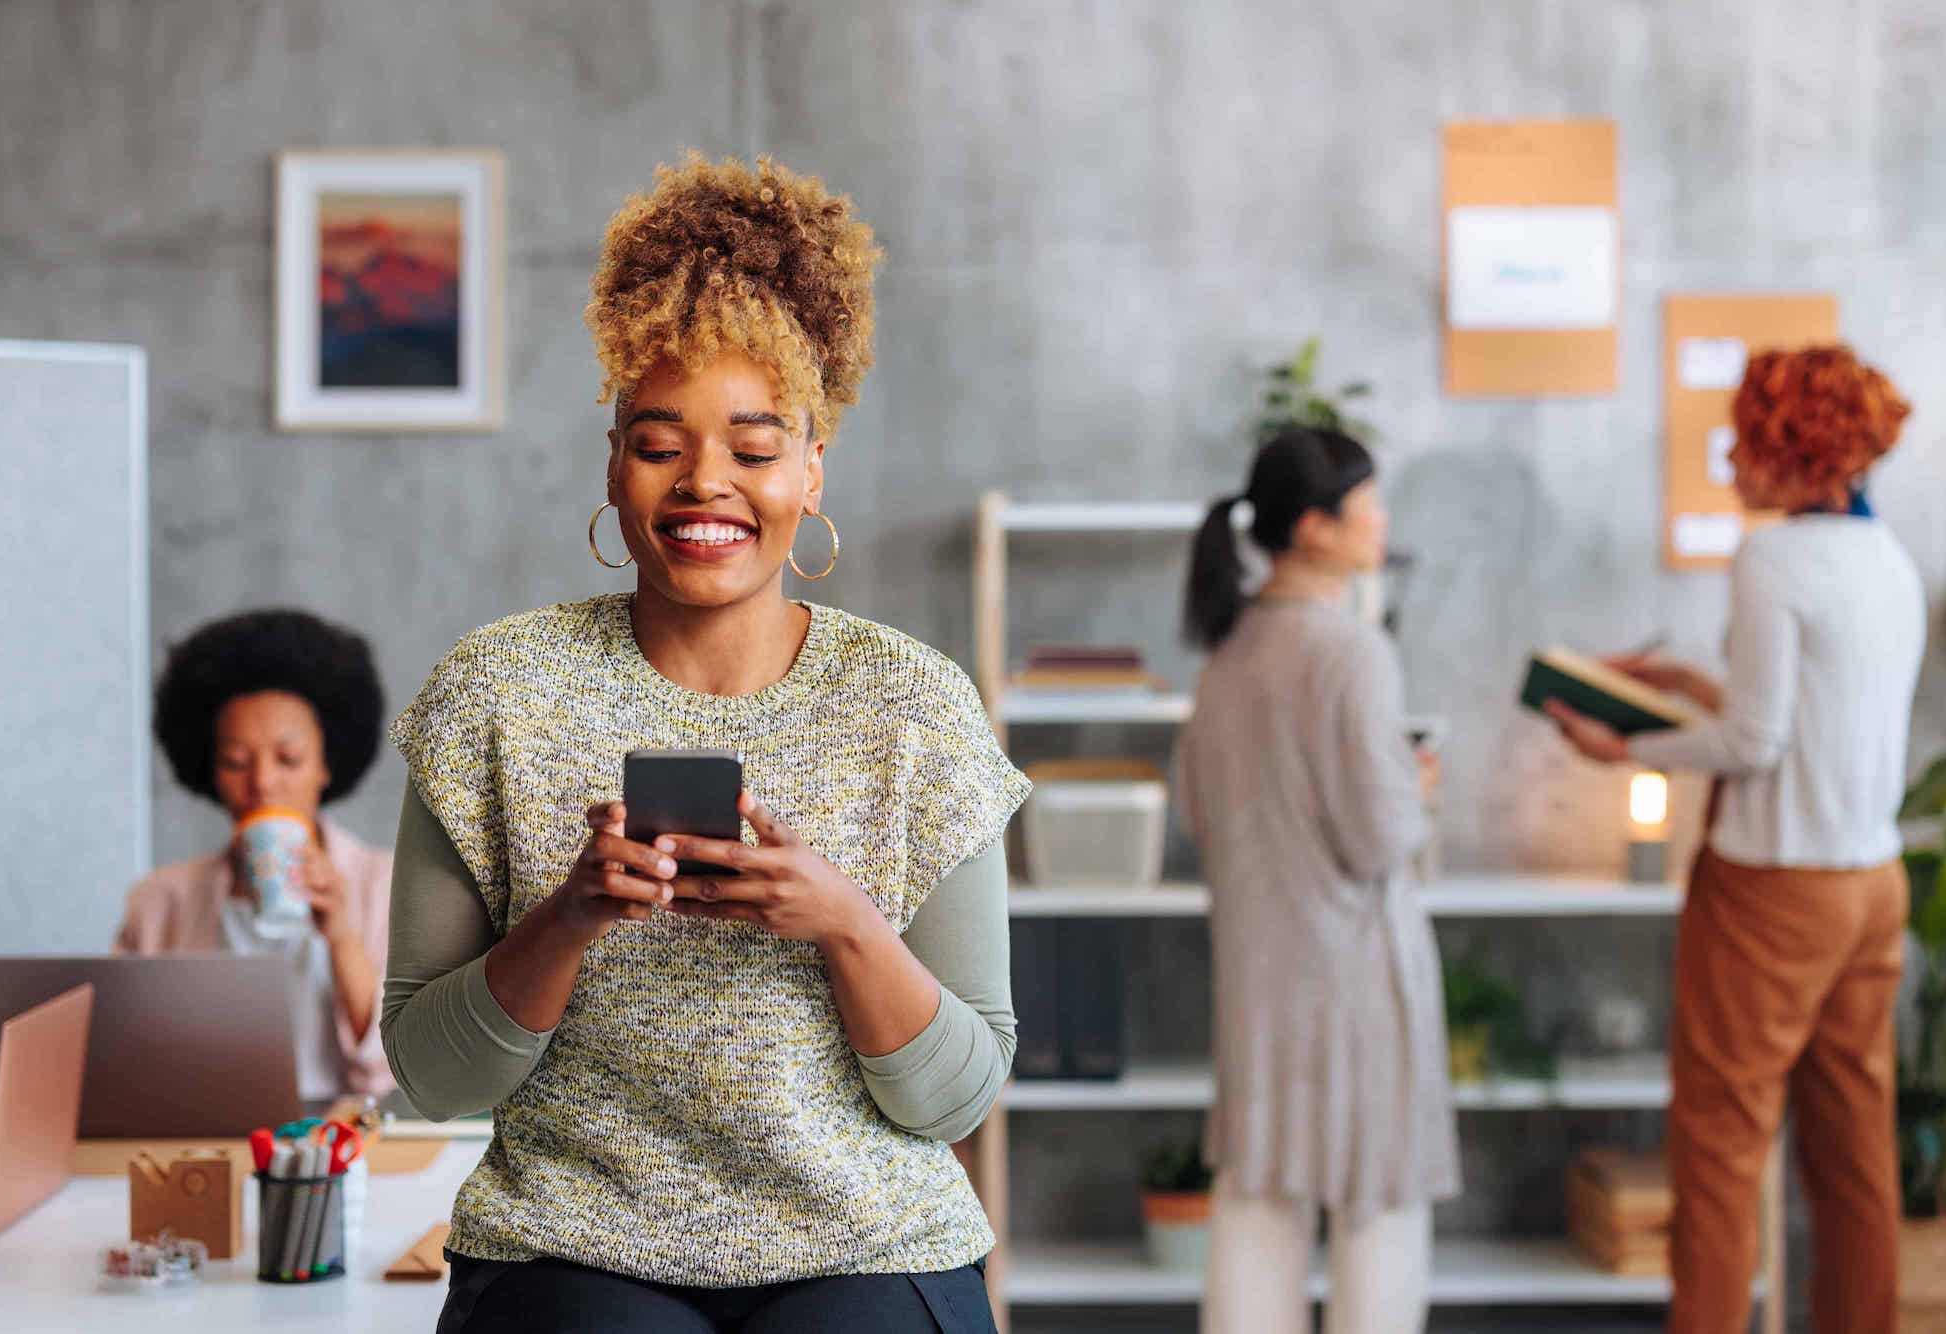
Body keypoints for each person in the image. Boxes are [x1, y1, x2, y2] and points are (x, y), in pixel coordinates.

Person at [380, 154, 1028, 1334]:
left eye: (753, 442)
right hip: (572, 1240)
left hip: (867, 1240)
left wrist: (841, 920)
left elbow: (956, 1097)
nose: (704, 483)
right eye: (658, 440)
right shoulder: (492, 695)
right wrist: (566, 917)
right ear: (613, 464)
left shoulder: (913, 706)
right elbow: (434, 1077)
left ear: (811, 466)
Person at [1545, 345, 1922, 1334]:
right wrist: (1677, 686)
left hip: (1769, 891)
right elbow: (1811, 727)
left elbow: (1753, 744)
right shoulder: (1887, 560)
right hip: (1867, 885)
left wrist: (1617, 747)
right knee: (1852, 1154)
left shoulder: (1769, 558)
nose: (1729, 464)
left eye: (1746, 444)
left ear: (1797, 454)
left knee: (1716, 1147)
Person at [1173, 427, 1458, 1334]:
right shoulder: (1352, 651)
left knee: (1257, 1212)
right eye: (1365, 502)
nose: (1381, 520)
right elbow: (1379, 841)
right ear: (1312, 528)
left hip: (1260, 982)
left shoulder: (1225, 659)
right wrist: (1414, 789)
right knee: (1378, 1220)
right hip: (1358, 990)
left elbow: (1197, 809)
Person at [115, 608, 395, 1101]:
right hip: (202, 1133)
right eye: (235, 762)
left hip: (339, 1141)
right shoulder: (160, 901)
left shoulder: (385, 884)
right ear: (211, 772)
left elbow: (393, 1067)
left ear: (325, 765)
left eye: (288, 759)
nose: (263, 783)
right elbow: (118, 1058)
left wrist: (341, 936)